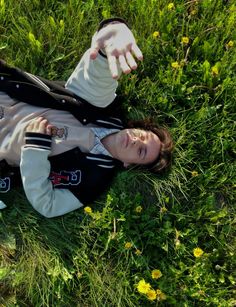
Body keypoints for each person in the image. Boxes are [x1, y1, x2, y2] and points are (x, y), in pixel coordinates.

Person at [0, 18, 173, 217]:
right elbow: (95, 80)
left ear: (128, 164)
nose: (135, 140)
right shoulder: (107, 110)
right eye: (142, 135)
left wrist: (36, 150)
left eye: (141, 151)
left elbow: (49, 206)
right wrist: (111, 36)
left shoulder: (96, 178)